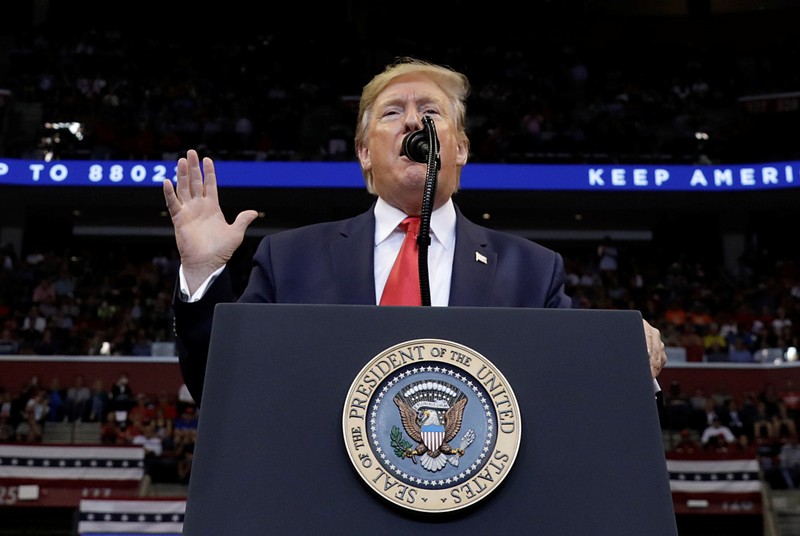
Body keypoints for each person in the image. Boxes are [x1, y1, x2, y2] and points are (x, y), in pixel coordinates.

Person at [162, 57, 667, 407]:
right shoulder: (290, 258)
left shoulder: (532, 271)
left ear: (460, 148)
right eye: (392, 113)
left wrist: (625, 352)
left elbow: (577, 384)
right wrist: (203, 275)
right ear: (364, 153)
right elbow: (219, 385)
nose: (412, 123)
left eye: (429, 113)